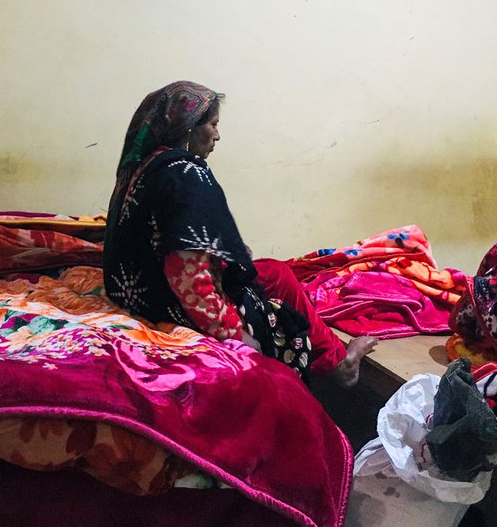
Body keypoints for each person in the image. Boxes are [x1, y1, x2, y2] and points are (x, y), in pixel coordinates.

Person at [103, 80, 376, 386]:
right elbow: (186, 271)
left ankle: (336, 357)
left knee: (274, 272)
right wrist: (235, 333)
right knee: (279, 278)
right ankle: (340, 363)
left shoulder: (144, 167)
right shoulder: (185, 173)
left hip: (142, 292)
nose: (217, 135)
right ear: (189, 128)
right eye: (213, 124)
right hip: (167, 301)